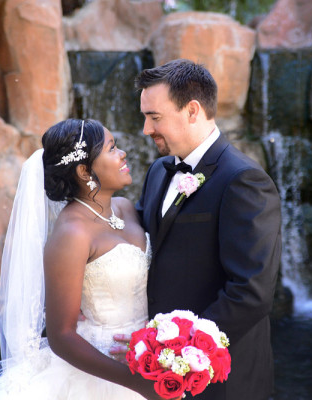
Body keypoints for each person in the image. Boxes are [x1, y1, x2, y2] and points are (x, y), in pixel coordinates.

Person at [0, 119, 176, 400]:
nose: (123, 154)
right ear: (84, 171)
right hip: (104, 372)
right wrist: (138, 384)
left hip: (149, 355)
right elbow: (61, 336)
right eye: (112, 149)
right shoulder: (72, 233)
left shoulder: (125, 208)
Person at [131, 59, 282, 400]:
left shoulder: (244, 180)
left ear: (192, 111)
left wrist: (180, 353)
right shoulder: (158, 170)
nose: (146, 129)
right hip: (160, 371)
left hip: (222, 378)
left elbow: (251, 291)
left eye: (154, 117)